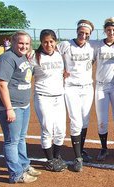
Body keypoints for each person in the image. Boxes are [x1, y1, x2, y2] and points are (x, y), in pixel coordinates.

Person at [0, 31, 42, 183]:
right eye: (21, 43)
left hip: (23, 105)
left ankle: (24, 166)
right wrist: (9, 108)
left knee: (21, 138)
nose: (24, 46)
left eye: (27, 44)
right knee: (12, 141)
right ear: (13, 42)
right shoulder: (7, 58)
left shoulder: (23, 57)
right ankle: (16, 174)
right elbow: (1, 84)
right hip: (11, 107)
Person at [57, 19, 95, 172]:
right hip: (71, 87)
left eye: (86, 33)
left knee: (85, 121)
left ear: (90, 34)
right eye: (81, 32)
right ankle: (78, 157)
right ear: (77, 31)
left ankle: (81, 150)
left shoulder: (92, 47)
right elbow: (50, 53)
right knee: (76, 121)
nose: (83, 35)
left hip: (87, 88)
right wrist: (61, 71)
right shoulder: (66, 45)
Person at [32, 29, 68, 172]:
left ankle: (56, 156)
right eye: (45, 42)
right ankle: (49, 160)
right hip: (43, 97)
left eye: (51, 41)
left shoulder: (60, 55)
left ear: (55, 42)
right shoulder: (35, 57)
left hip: (59, 96)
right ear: (41, 42)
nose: (48, 44)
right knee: (47, 128)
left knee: (61, 130)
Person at [91, 17, 114, 161]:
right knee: (102, 120)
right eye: (109, 30)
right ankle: (104, 148)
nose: (111, 32)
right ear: (105, 30)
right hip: (101, 86)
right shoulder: (97, 45)